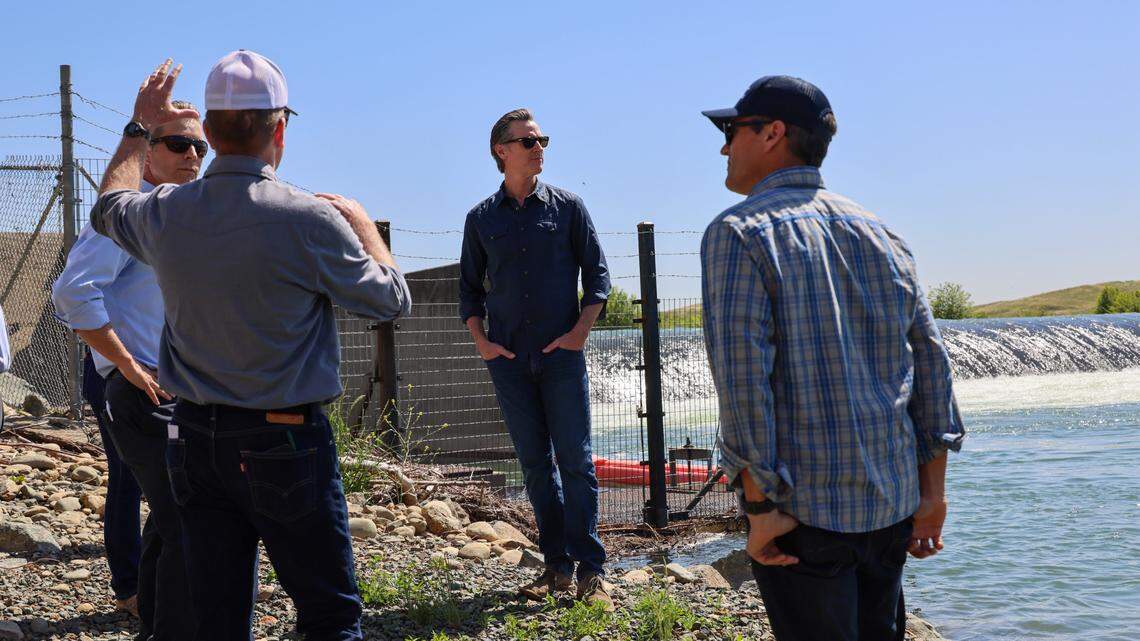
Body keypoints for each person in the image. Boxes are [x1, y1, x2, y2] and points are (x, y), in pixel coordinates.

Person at [89, 53, 411, 640]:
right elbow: (389, 301)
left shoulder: (165, 213)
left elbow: (109, 206)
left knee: (215, 616)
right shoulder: (310, 220)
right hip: (286, 438)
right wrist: (366, 229)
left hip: (193, 440)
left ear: (208, 133)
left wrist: (139, 127)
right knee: (328, 614)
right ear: (279, 130)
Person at [699, 76, 965, 641]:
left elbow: (744, 383)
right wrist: (932, 495)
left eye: (732, 130)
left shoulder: (738, 232)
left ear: (772, 133)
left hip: (804, 514)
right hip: (891, 505)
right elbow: (931, 369)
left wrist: (760, 506)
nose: (724, 146)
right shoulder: (882, 232)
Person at [52, 102, 204, 632]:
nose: (192, 156)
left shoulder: (175, 215)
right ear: (147, 152)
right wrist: (129, 366)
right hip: (139, 387)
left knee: (174, 509)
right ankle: (142, 600)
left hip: (172, 388)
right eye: (179, 144)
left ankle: (152, 610)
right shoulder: (133, 214)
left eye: (200, 147)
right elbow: (72, 293)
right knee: (168, 506)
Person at [459, 108, 613, 610]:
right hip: (508, 362)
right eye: (528, 141)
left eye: (542, 139)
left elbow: (599, 279)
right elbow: (468, 292)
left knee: (577, 462)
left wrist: (578, 336)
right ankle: (556, 568)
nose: (539, 147)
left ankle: (592, 571)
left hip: (562, 360)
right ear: (501, 151)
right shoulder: (481, 219)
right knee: (534, 467)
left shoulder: (569, 208)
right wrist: (483, 344)